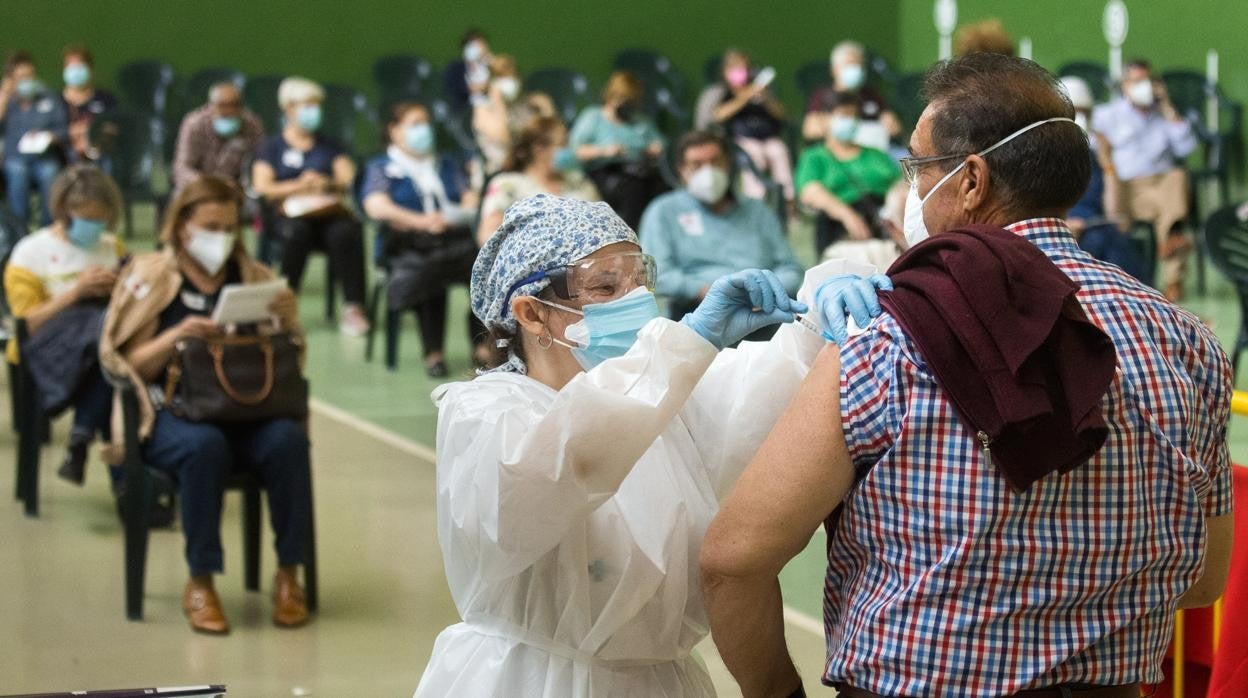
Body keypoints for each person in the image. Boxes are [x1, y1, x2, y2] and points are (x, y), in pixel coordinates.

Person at [700, 53, 1232, 698]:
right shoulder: (1187, 341)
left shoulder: (886, 338)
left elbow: (733, 562)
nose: (911, 187)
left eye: (918, 167)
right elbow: (1204, 582)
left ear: (971, 180)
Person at [414, 193, 889, 697]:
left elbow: (764, 391)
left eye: (640, 278)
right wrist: (687, 345)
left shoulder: (666, 395)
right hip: (528, 680)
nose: (635, 300)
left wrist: (817, 320)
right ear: (532, 313)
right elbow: (564, 460)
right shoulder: (486, 413)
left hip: (661, 681)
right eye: (605, 285)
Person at [99, 176, 313, 635]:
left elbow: (289, 357)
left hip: (247, 409)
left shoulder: (253, 276)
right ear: (181, 228)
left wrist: (288, 323)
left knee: (288, 442)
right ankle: (200, 581)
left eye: (230, 227)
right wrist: (177, 336)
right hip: (171, 414)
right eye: (210, 226)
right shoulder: (151, 276)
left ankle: (288, 574)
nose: (222, 236)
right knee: (204, 448)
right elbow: (123, 363)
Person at [4, 164, 123, 485]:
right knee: (113, 368)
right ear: (63, 212)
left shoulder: (112, 248)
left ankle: (84, 442)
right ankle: (126, 483)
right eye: (86, 219)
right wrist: (76, 292)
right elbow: (25, 324)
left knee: (113, 363)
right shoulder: (30, 253)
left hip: (99, 349)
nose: (94, 227)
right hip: (46, 349)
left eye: (100, 220)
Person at [362, 101, 485, 376]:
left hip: (453, 237)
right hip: (409, 245)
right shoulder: (381, 167)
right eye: (415, 124)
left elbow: (469, 198)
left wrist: (454, 216)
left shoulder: (445, 163)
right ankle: (433, 353)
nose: (424, 130)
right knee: (431, 271)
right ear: (394, 131)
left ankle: (482, 347)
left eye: (426, 123)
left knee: (484, 270)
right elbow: (376, 206)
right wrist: (421, 222)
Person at [640, 130, 802, 326]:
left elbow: (791, 268)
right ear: (682, 170)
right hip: (695, 314)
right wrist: (707, 292)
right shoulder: (663, 212)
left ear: (729, 164)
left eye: (716, 162)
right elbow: (657, 275)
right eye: (697, 165)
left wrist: (765, 291)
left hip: (763, 313)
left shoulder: (758, 211)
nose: (708, 172)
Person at [252, 76, 369, 336]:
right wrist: (298, 185)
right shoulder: (271, 147)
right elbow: (262, 187)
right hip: (288, 218)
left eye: (316, 105)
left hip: (326, 216)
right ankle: (287, 304)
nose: (313, 112)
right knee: (296, 233)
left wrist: (325, 183)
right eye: (307, 105)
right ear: (288, 109)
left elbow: (347, 178)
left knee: (346, 231)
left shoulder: (329, 146)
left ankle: (354, 307)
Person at [1093, 58, 1198, 301]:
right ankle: (1130, 273)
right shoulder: (1109, 115)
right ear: (1125, 86)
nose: (1145, 87)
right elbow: (1088, 140)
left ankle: (1173, 276)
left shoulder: (1162, 115)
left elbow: (1186, 148)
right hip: (1126, 188)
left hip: (1161, 187)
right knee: (1114, 184)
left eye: (1148, 81)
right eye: (1138, 81)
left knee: (1178, 177)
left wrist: (1168, 108)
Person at [1061, 76, 1149, 284]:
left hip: (1097, 227)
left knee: (1115, 241)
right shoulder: (1043, 158)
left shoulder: (1098, 157)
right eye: (1074, 113)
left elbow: (1117, 216)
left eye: (1085, 113)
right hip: (1063, 228)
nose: (1080, 118)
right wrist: (1063, 225)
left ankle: (1144, 309)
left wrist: (1108, 163)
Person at [795, 91, 904, 258]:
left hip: (884, 229)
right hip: (840, 232)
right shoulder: (815, 157)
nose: (850, 121)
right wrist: (847, 215)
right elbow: (809, 191)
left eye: (853, 115)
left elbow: (901, 186)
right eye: (843, 115)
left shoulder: (876, 154)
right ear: (825, 118)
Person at [476, 114, 600, 245]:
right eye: (563, 144)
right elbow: (488, 237)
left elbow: (603, 220)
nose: (570, 150)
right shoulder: (507, 185)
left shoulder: (577, 180)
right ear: (539, 149)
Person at [568, 71, 666, 228]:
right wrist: (605, 151)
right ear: (610, 96)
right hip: (606, 173)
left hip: (641, 171)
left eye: (631, 101)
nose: (626, 105)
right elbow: (576, 151)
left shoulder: (641, 122)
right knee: (632, 188)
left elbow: (660, 145)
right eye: (622, 99)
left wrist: (652, 149)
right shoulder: (593, 117)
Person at [694, 49, 793, 202]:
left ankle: (787, 200)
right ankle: (756, 200)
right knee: (754, 154)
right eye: (736, 68)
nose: (742, 72)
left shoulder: (760, 90)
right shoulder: (718, 92)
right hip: (736, 141)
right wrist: (743, 98)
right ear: (725, 71)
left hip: (767, 139)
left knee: (779, 150)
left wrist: (766, 98)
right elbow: (716, 116)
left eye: (745, 68)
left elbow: (782, 115)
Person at [1, 50, 68, 226]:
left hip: (44, 157)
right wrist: (4, 96)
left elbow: (63, 129)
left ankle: (50, 227)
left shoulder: (48, 97)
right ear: (12, 79)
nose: (27, 81)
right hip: (15, 157)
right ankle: (19, 229)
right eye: (21, 77)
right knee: (17, 173)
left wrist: (51, 136)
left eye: (30, 75)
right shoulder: (7, 102)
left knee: (50, 172)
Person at [802, 41, 900, 147]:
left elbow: (895, 128)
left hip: (873, 151)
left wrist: (889, 124)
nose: (856, 69)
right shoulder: (821, 96)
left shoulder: (872, 95)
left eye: (860, 65)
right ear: (834, 70)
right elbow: (810, 130)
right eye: (850, 64)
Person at [172, 81, 264, 190]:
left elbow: (259, 164)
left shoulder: (252, 125)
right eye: (222, 106)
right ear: (210, 106)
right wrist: (212, 185)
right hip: (199, 186)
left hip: (236, 189)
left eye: (234, 105)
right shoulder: (194, 124)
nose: (229, 111)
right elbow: (181, 169)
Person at [59, 45, 117, 167]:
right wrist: (71, 134)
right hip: (66, 152)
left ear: (89, 69)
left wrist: (91, 134)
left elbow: (114, 127)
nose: (75, 71)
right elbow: (51, 130)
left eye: (79, 66)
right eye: (71, 67)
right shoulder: (56, 101)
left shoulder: (105, 98)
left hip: (99, 149)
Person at [443, 29, 492, 115]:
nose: (480, 48)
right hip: (464, 112)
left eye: (482, 44)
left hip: (489, 111)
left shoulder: (490, 67)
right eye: (474, 45)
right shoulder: (455, 67)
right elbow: (454, 89)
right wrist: (478, 87)